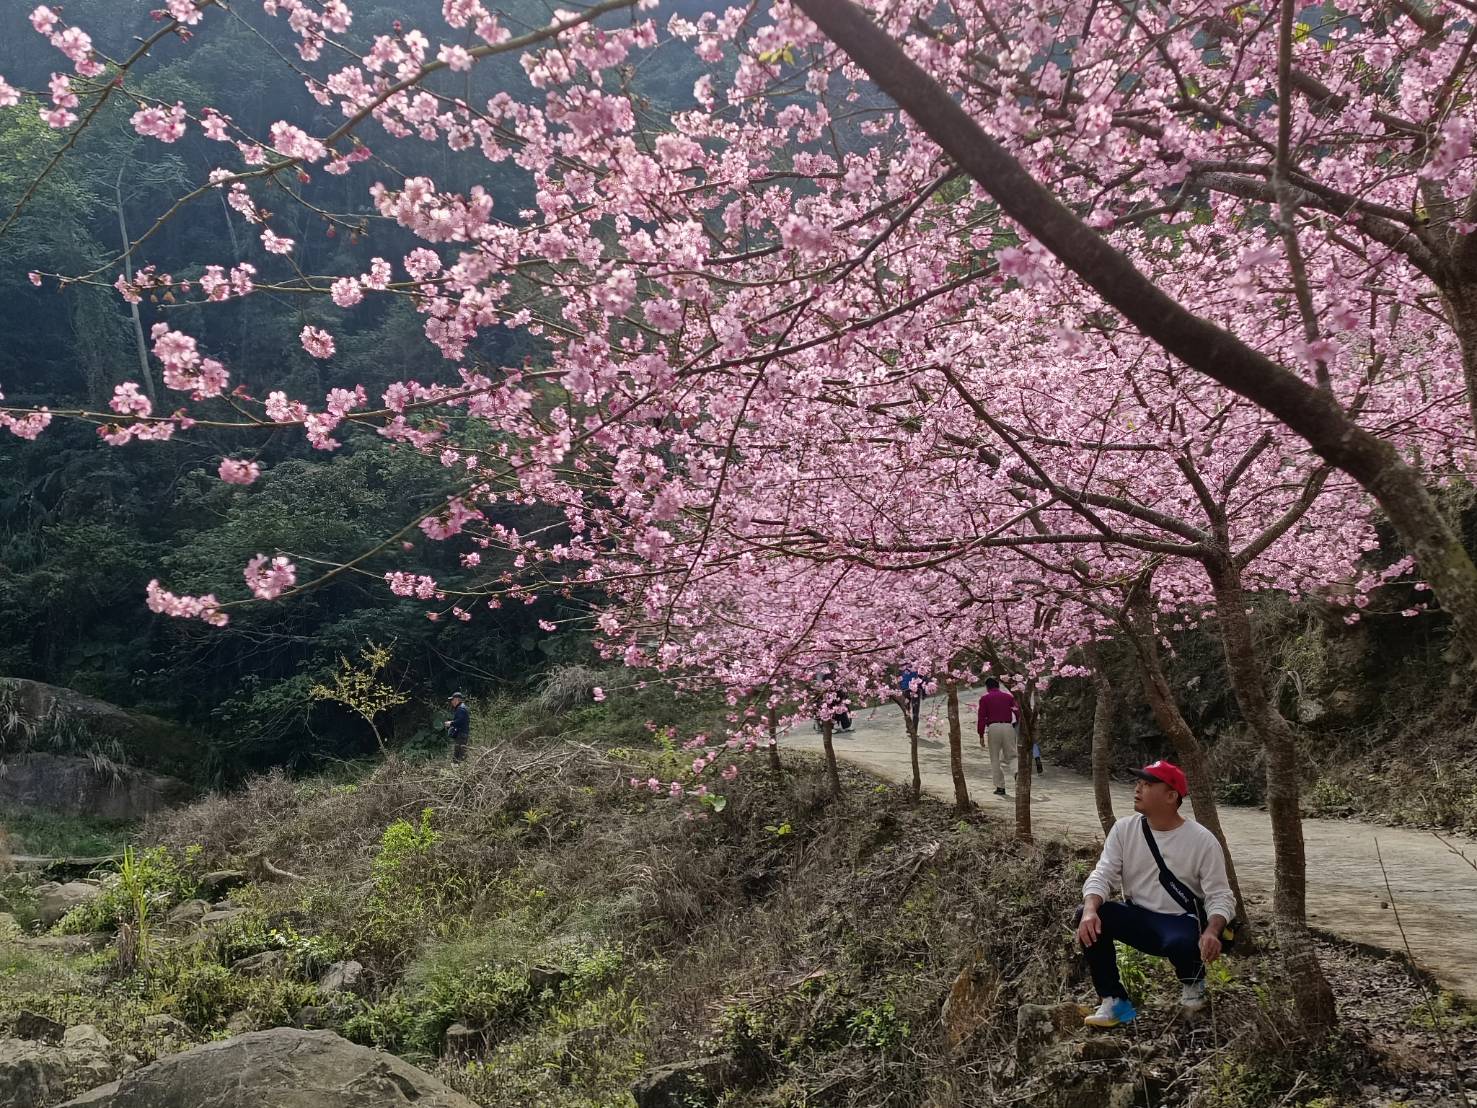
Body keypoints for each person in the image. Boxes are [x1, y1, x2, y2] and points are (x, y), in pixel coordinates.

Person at [1074, 759, 1237, 1028]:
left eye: (1147, 784)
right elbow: (1103, 874)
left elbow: (1220, 895)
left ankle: (1193, 984)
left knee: (1180, 942)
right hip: (1138, 917)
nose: (1137, 789)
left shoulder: (1202, 840)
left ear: (1171, 796)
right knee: (1088, 915)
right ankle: (1114, 1001)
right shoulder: (1125, 829)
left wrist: (1212, 930)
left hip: (1180, 922)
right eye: (1138, 783)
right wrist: (1091, 909)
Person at [976, 677, 1019, 796]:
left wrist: (980, 734)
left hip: (993, 727)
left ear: (987, 687)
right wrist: (1017, 724)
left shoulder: (985, 698)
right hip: (1008, 726)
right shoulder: (1009, 697)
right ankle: (1016, 772)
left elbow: (981, 718)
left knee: (995, 758)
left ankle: (1000, 787)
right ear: (998, 686)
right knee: (1012, 755)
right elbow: (1017, 711)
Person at [444, 692, 470, 763]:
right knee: (460, 754)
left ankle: (458, 770)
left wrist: (451, 723)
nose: (451, 702)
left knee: (458, 755)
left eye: (452, 700)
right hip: (463, 734)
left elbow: (460, 721)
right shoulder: (463, 707)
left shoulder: (460, 708)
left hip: (461, 735)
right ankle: (459, 769)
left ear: (457, 700)